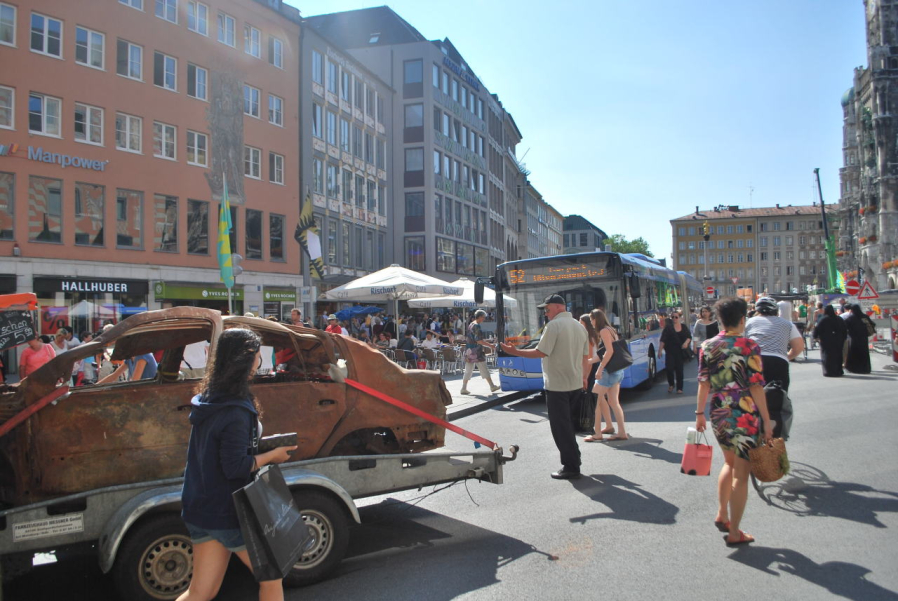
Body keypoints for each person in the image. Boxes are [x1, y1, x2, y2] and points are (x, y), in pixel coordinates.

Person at [178, 328, 296, 601]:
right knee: (272, 576)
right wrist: (273, 456)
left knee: (200, 592)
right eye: (256, 355)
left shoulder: (208, 398)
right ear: (246, 360)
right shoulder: (236, 409)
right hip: (227, 511)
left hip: (199, 505)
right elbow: (235, 467)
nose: (259, 362)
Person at [695, 297, 772, 547]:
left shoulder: (707, 346)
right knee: (742, 472)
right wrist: (767, 421)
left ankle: (722, 514)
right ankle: (735, 532)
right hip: (744, 411)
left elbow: (703, 383)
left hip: (718, 410)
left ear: (719, 319)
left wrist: (699, 415)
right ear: (742, 319)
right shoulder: (749, 346)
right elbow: (756, 386)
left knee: (728, 463)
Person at [501, 294, 589, 480]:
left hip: (557, 385)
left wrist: (515, 352)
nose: (546, 313)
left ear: (558, 307)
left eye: (548, 309)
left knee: (561, 428)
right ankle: (574, 459)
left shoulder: (553, 326)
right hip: (574, 382)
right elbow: (584, 357)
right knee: (569, 427)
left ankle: (571, 466)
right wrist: (584, 377)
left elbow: (541, 352)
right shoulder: (579, 326)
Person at [584, 309, 628, 442]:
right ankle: (621, 432)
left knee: (594, 401)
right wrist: (590, 361)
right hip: (617, 370)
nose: (591, 322)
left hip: (608, 372)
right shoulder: (611, 329)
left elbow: (609, 351)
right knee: (614, 402)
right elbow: (606, 353)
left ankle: (597, 433)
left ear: (596, 319)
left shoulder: (603, 331)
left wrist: (599, 369)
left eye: (591, 319)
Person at [460, 310, 500, 395]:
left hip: (469, 351)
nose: (484, 319)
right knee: (484, 368)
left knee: (468, 370)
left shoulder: (471, 324)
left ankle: (463, 388)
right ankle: (492, 386)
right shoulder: (477, 326)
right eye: (483, 317)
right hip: (476, 352)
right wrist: (491, 345)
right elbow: (479, 341)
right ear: (479, 317)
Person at [659, 312, 692, 394]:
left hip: (680, 352)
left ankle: (679, 388)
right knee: (669, 368)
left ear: (680, 318)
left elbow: (689, 337)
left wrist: (686, 343)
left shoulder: (683, 327)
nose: (674, 318)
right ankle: (671, 384)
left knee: (679, 370)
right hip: (670, 351)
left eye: (676, 317)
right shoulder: (668, 328)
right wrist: (660, 350)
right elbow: (663, 339)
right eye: (672, 317)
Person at [812, 305, 847, 377]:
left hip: (826, 341)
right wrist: (843, 338)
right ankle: (838, 370)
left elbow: (817, 329)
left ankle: (829, 371)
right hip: (838, 340)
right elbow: (844, 330)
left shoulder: (823, 319)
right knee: (838, 355)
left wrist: (815, 337)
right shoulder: (839, 319)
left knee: (827, 355)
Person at [844, 304, 872, 374]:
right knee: (864, 353)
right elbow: (872, 324)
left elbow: (845, 327)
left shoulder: (851, 318)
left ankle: (854, 368)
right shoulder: (865, 317)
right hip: (863, 338)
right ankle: (865, 368)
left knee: (854, 353)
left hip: (854, 338)